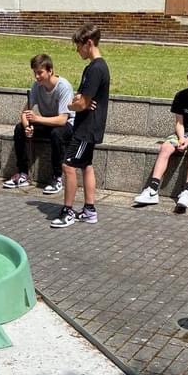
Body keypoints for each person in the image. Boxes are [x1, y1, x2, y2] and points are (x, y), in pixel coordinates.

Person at [134, 60, 188, 212]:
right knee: (166, 147)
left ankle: (186, 191)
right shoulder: (180, 96)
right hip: (184, 131)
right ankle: (152, 190)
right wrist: (181, 138)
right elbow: (179, 123)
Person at [50, 24, 110, 229]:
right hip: (88, 126)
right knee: (86, 165)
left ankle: (67, 211)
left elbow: (82, 103)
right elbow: (81, 97)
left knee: (68, 165)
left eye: (79, 46)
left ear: (89, 43)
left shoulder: (96, 69)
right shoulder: (93, 67)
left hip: (86, 128)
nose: (77, 50)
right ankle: (89, 210)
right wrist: (79, 100)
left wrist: (71, 105)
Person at [2, 54, 74, 194]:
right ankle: (23, 173)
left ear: (50, 71)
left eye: (40, 73)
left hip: (66, 125)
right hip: (47, 121)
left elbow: (62, 120)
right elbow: (24, 113)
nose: (37, 77)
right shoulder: (37, 86)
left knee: (56, 134)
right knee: (19, 129)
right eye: (35, 73)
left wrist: (36, 119)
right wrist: (27, 127)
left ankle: (57, 177)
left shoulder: (63, 87)